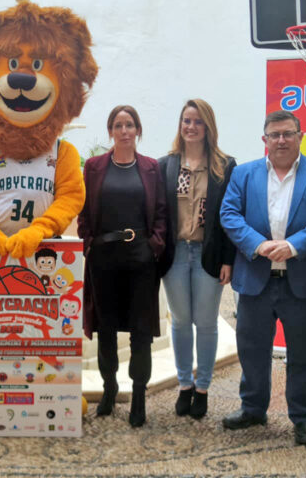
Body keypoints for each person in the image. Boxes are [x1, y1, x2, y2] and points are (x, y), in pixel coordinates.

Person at [219, 109, 306, 446]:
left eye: (288, 133)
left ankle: (303, 418)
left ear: (301, 136)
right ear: (265, 140)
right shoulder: (244, 174)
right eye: (275, 134)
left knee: (303, 353)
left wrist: (292, 245)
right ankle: (253, 409)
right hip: (255, 278)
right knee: (252, 350)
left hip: (301, 280)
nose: (282, 140)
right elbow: (229, 214)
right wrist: (257, 245)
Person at [77, 105, 167, 428]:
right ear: (111, 131)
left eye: (130, 124)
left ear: (138, 130)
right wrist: (88, 241)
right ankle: (109, 388)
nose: (124, 130)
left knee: (141, 333)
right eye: (118, 124)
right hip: (103, 259)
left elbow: (160, 212)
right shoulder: (94, 167)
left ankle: (139, 394)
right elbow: (83, 208)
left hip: (141, 260)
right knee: (106, 330)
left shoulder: (152, 168)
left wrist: (154, 246)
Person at [158, 99, 236, 419]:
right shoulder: (166, 164)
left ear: (208, 127)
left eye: (197, 121)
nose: (191, 126)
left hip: (208, 253)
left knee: (205, 323)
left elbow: (231, 217)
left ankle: (202, 388)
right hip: (175, 252)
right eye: (186, 120)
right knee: (179, 322)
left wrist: (229, 259)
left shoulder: (224, 165)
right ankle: (184, 385)